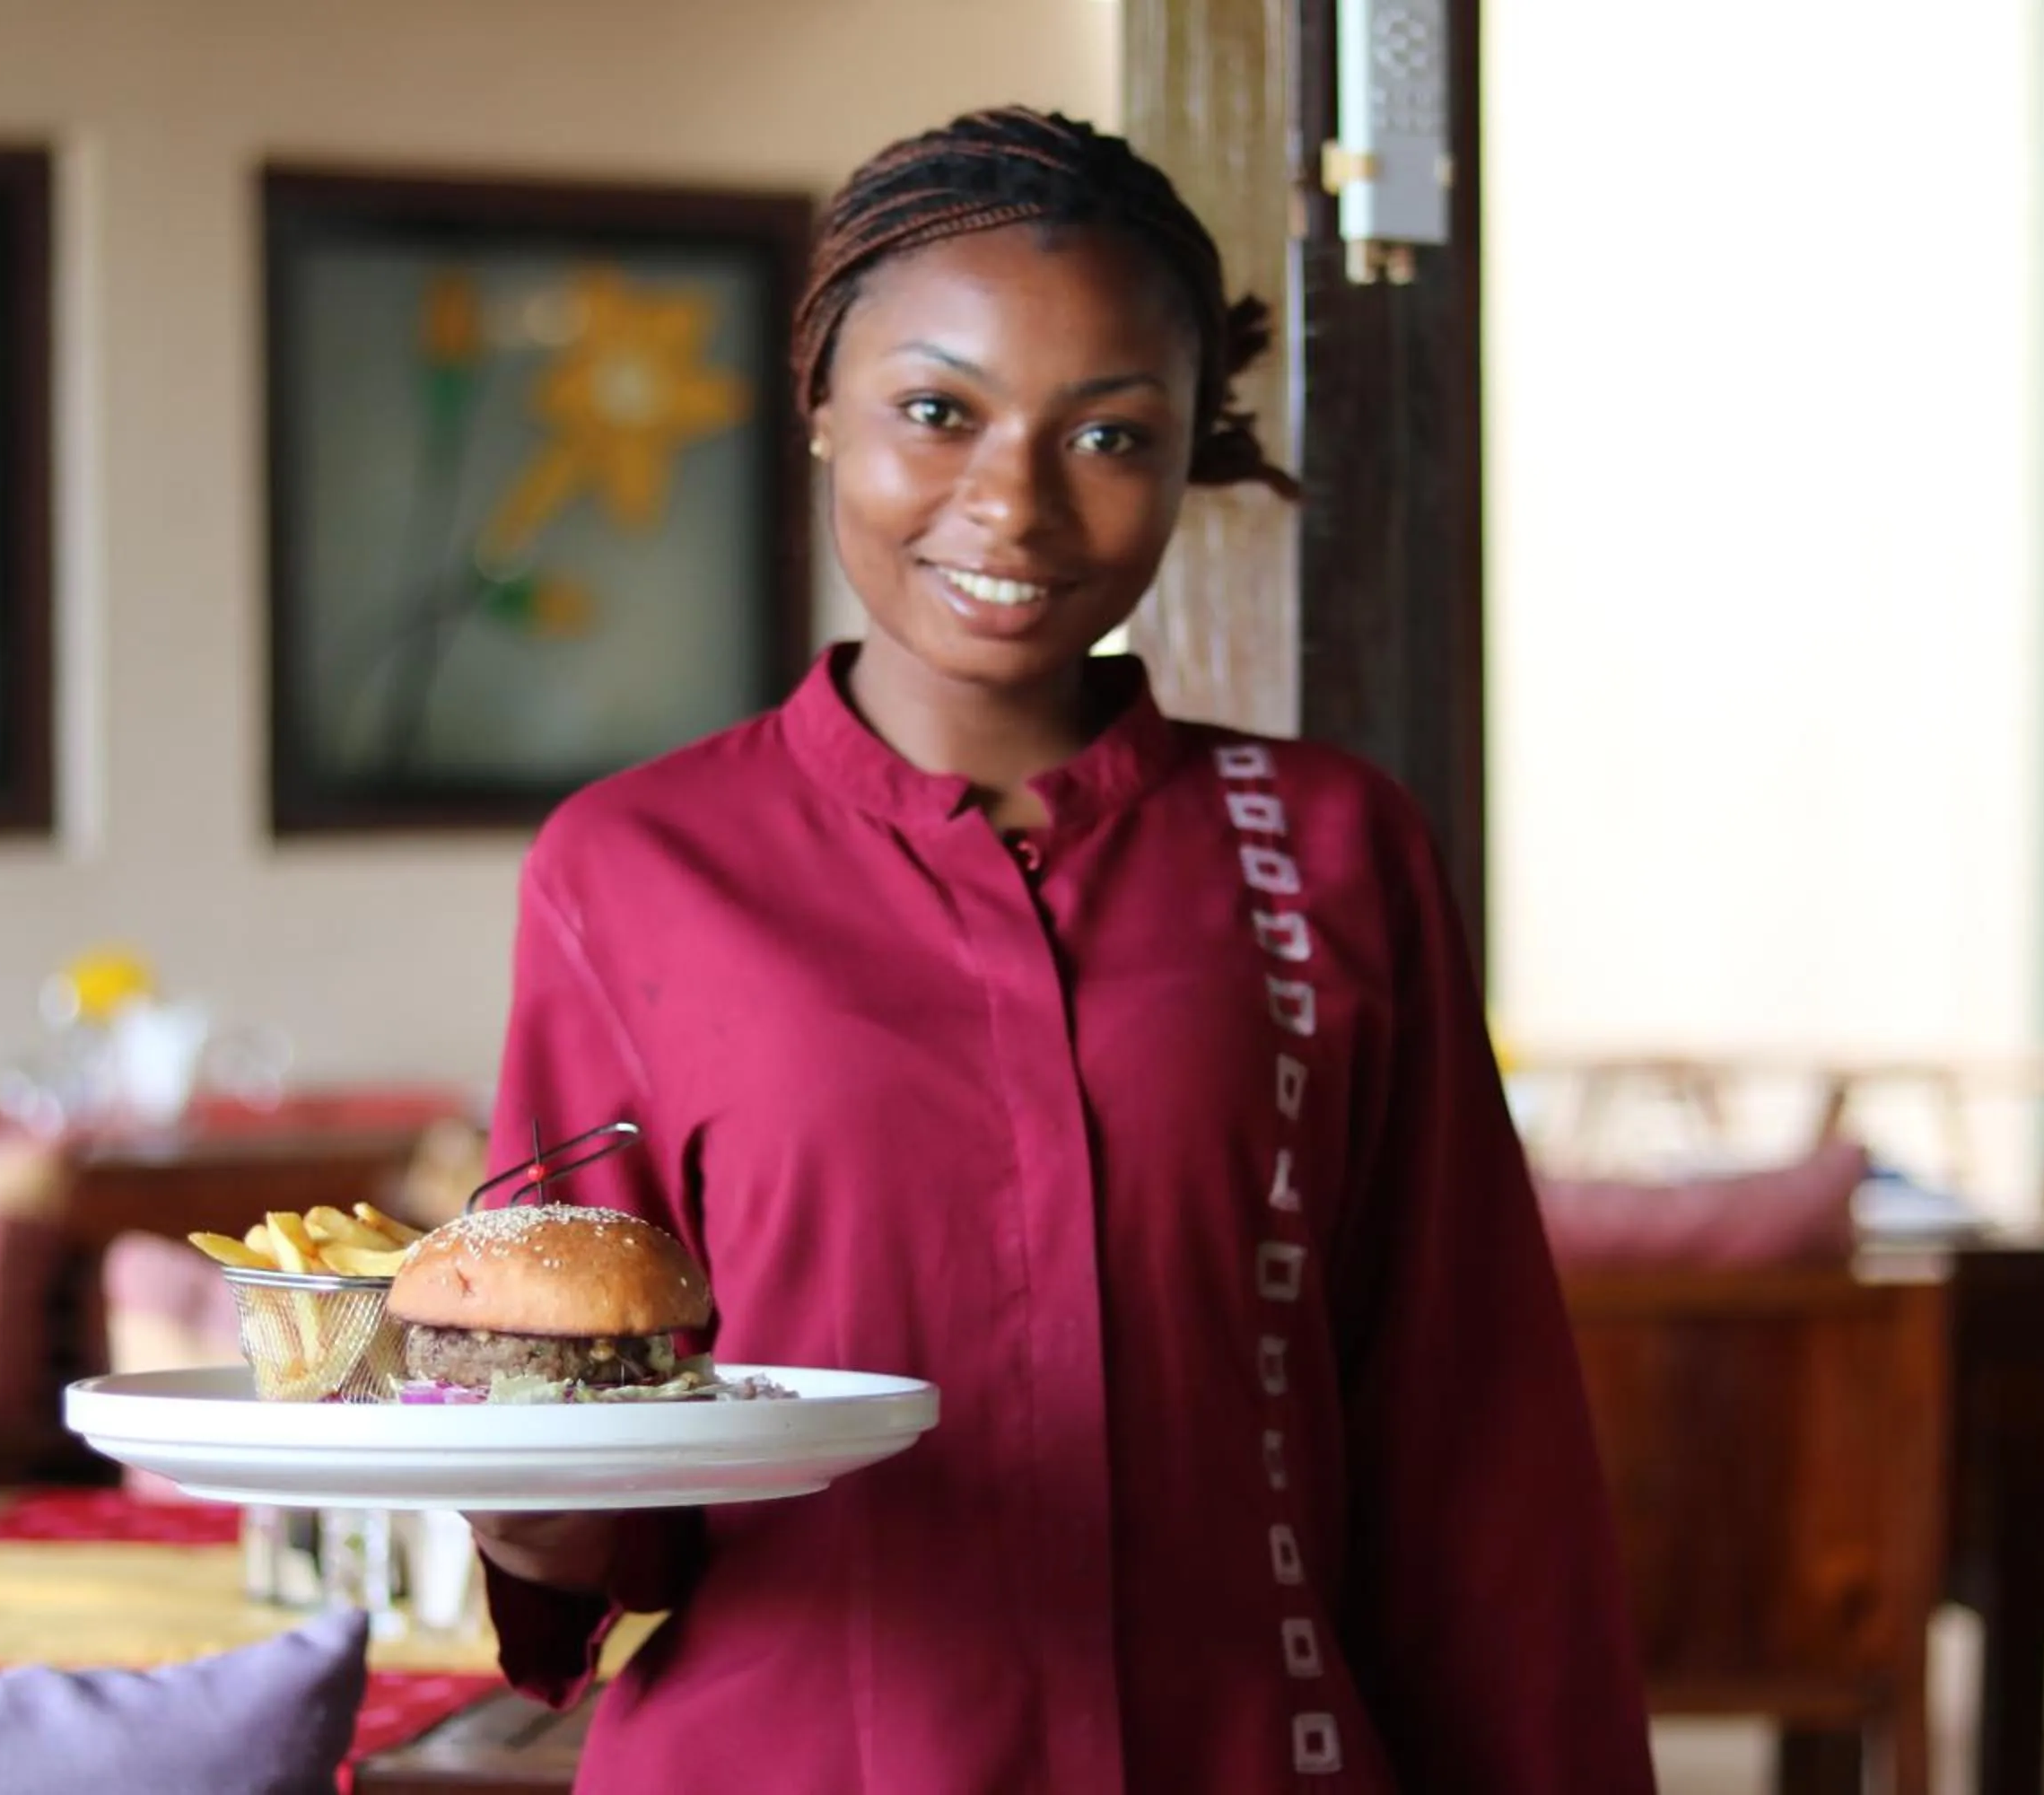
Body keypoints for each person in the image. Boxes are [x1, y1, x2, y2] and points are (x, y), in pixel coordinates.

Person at [463, 105, 1656, 1793]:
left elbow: (1476, 1453)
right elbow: (579, 1430)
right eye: (935, 413)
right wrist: (531, 1520)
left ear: (1189, 454)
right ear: (820, 410)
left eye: (1108, 435)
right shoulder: (638, 867)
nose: (1009, 505)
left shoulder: (1330, 851)